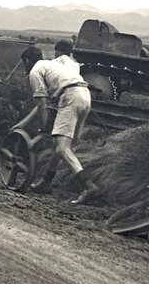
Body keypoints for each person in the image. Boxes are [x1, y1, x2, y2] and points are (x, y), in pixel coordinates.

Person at [12, 39, 99, 204]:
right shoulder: (54, 66)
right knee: (60, 145)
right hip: (84, 95)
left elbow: (42, 104)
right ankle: (46, 181)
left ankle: (88, 186)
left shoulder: (35, 72)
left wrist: (43, 131)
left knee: (61, 148)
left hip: (71, 96)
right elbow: (48, 104)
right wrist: (34, 127)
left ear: (27, 61)